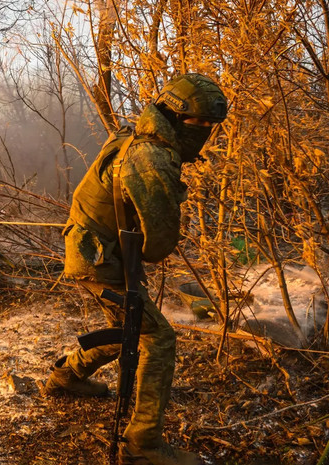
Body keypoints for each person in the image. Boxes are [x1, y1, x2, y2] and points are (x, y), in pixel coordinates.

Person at [43, 73, 228, 465]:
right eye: (199, 123)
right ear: (176, 117)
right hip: (99, 256)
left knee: (131, 327)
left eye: (211, 126)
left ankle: (65, 377)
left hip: (96, 251)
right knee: (157, 338)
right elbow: (159, 244)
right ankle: (142, 446)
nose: (206, 132)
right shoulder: (151, 157)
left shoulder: (138, 135)